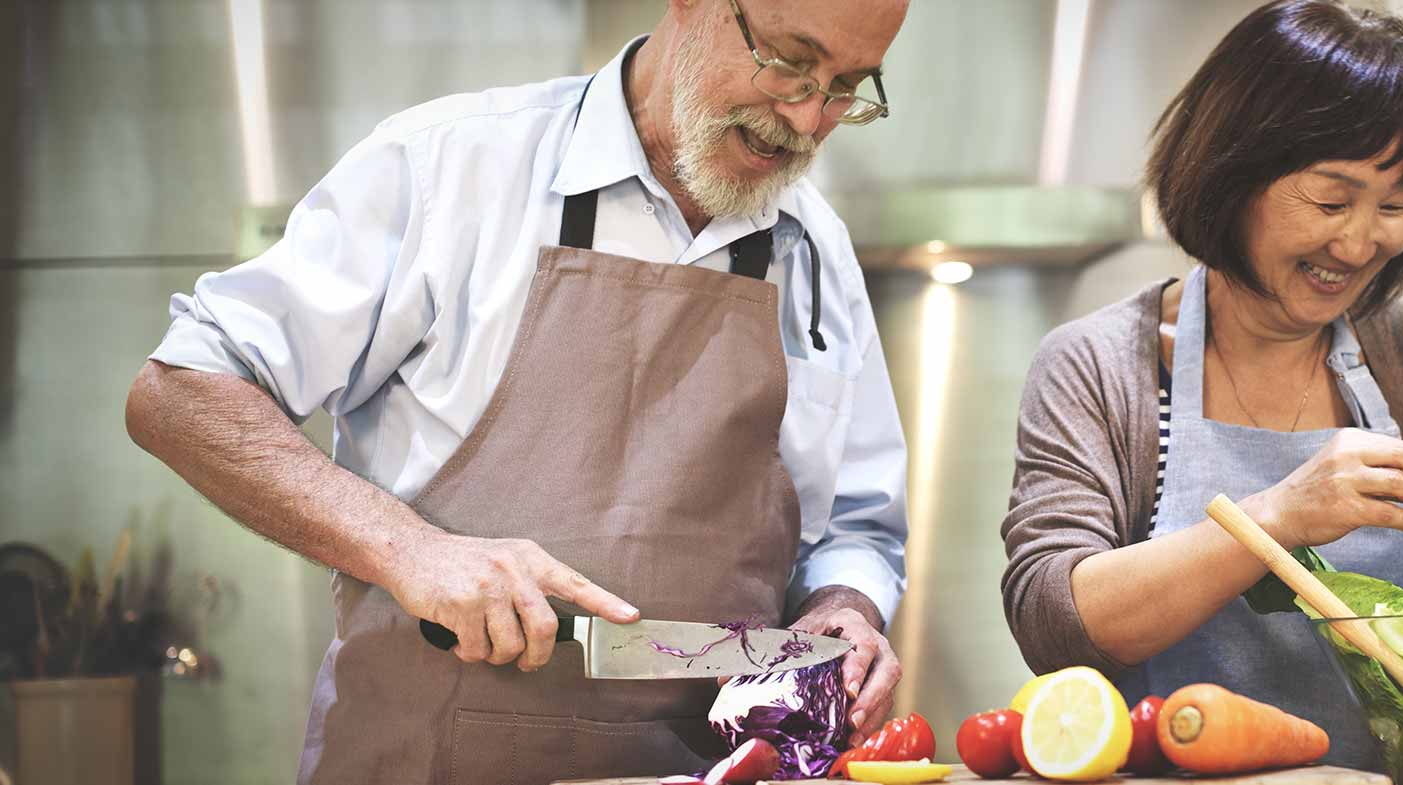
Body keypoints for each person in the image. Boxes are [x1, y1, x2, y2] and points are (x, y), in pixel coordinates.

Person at [125, 1, 911, 782]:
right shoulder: (447, 170)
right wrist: (409, 548)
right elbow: (181, 389)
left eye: (847, 86)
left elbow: (856, 523)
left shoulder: (817, 251)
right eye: (789, 62)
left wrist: (844, 606)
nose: (809, 119)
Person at [999, 0, 1403, 771]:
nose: (1358, 242)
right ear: (1232, 176)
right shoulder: (1100, 366)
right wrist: (1277, 516)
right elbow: (1054, 616)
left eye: (1394, 204)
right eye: (1329, 200)